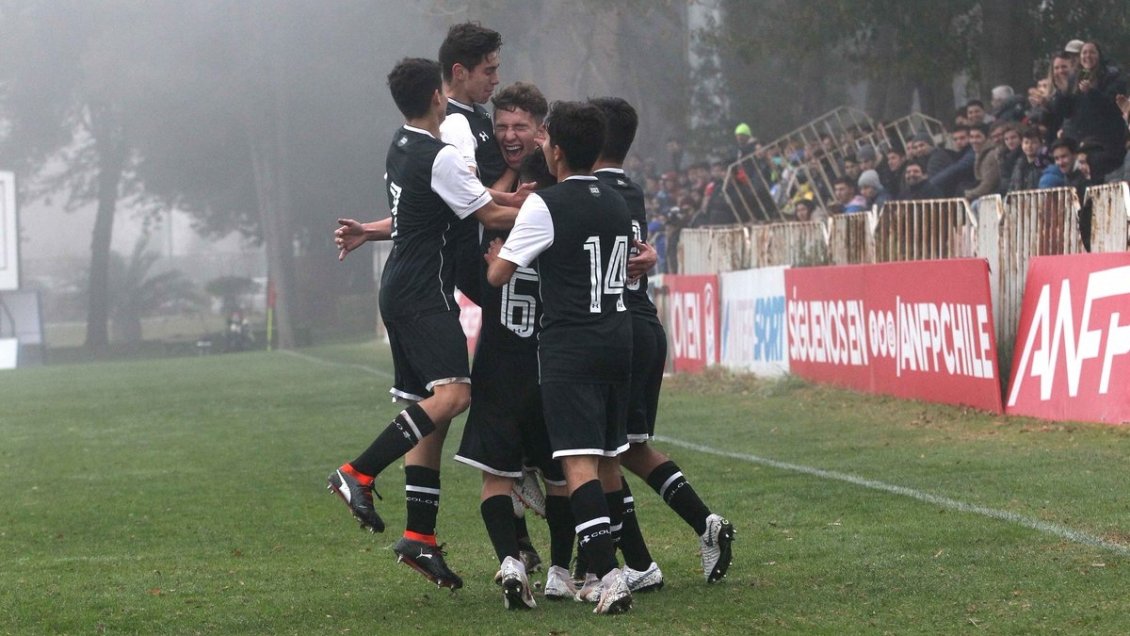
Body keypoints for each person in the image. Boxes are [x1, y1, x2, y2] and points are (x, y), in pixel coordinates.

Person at [326, 57, 519, 591]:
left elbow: (450, 204)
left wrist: (367, 229)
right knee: (455, 397)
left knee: (429, 415)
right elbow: (488, 216)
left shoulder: (401, 143)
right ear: (440, 94)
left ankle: (420, 539)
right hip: (423, 293)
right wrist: (552, 206)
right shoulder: (440, 156)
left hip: (400, 286)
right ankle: (357, 473)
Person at [485, 100, 635, 615]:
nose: (542, 147)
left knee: (576, 465)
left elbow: (498, 275)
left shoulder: (546, 205)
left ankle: (610, 577)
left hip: (571, 344)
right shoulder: (616, 200)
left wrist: (496, 257)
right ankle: (605, 572)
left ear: (558, 151)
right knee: (606, 458)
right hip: (619, 341)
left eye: (546, 140)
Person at [589, 96, 734, 593]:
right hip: (646, 324)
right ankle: (705, 525)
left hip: (619, 330)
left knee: (606, 452)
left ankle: (639, 564)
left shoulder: (590, 193)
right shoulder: (629, 190)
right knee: (630, 447)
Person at [450, 81, 556, 609]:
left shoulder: (558, 177)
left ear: (543, 129)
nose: (510, 136)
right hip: (532, 355)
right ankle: (550, 567)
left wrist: (493, 266)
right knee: (563, 474)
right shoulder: (492, 174)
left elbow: (475, 267)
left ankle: (517, 561)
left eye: (521, 127)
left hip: (520, 355)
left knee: (507, 473)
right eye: (503, 126)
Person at [1049, 41, 1128, 179]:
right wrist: (1062, 93)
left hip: (1105, 143)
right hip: (1081, 142)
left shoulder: (1112, 76)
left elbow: (1113, 105)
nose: (1087, 56)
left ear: (1099, 55)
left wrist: (1091, 92)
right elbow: (1066, 112)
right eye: (1084, 53)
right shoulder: (1078, 77)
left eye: (1092, 52)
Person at [964, 123, 1001, 200]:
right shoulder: (979, 153)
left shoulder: (991, 155)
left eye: (978, 137)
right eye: (971, 137)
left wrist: (966, 194)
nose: (974, 140)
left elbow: (988, 185)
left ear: (987, 138)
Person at [1007, 126, 1048, 193]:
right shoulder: (1019, 165)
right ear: (1021, 144)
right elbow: (1012, 186)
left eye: (1034, 142)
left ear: (1041, 144)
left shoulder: (1045, 164)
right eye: (1026, 142)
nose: (1029, 146)